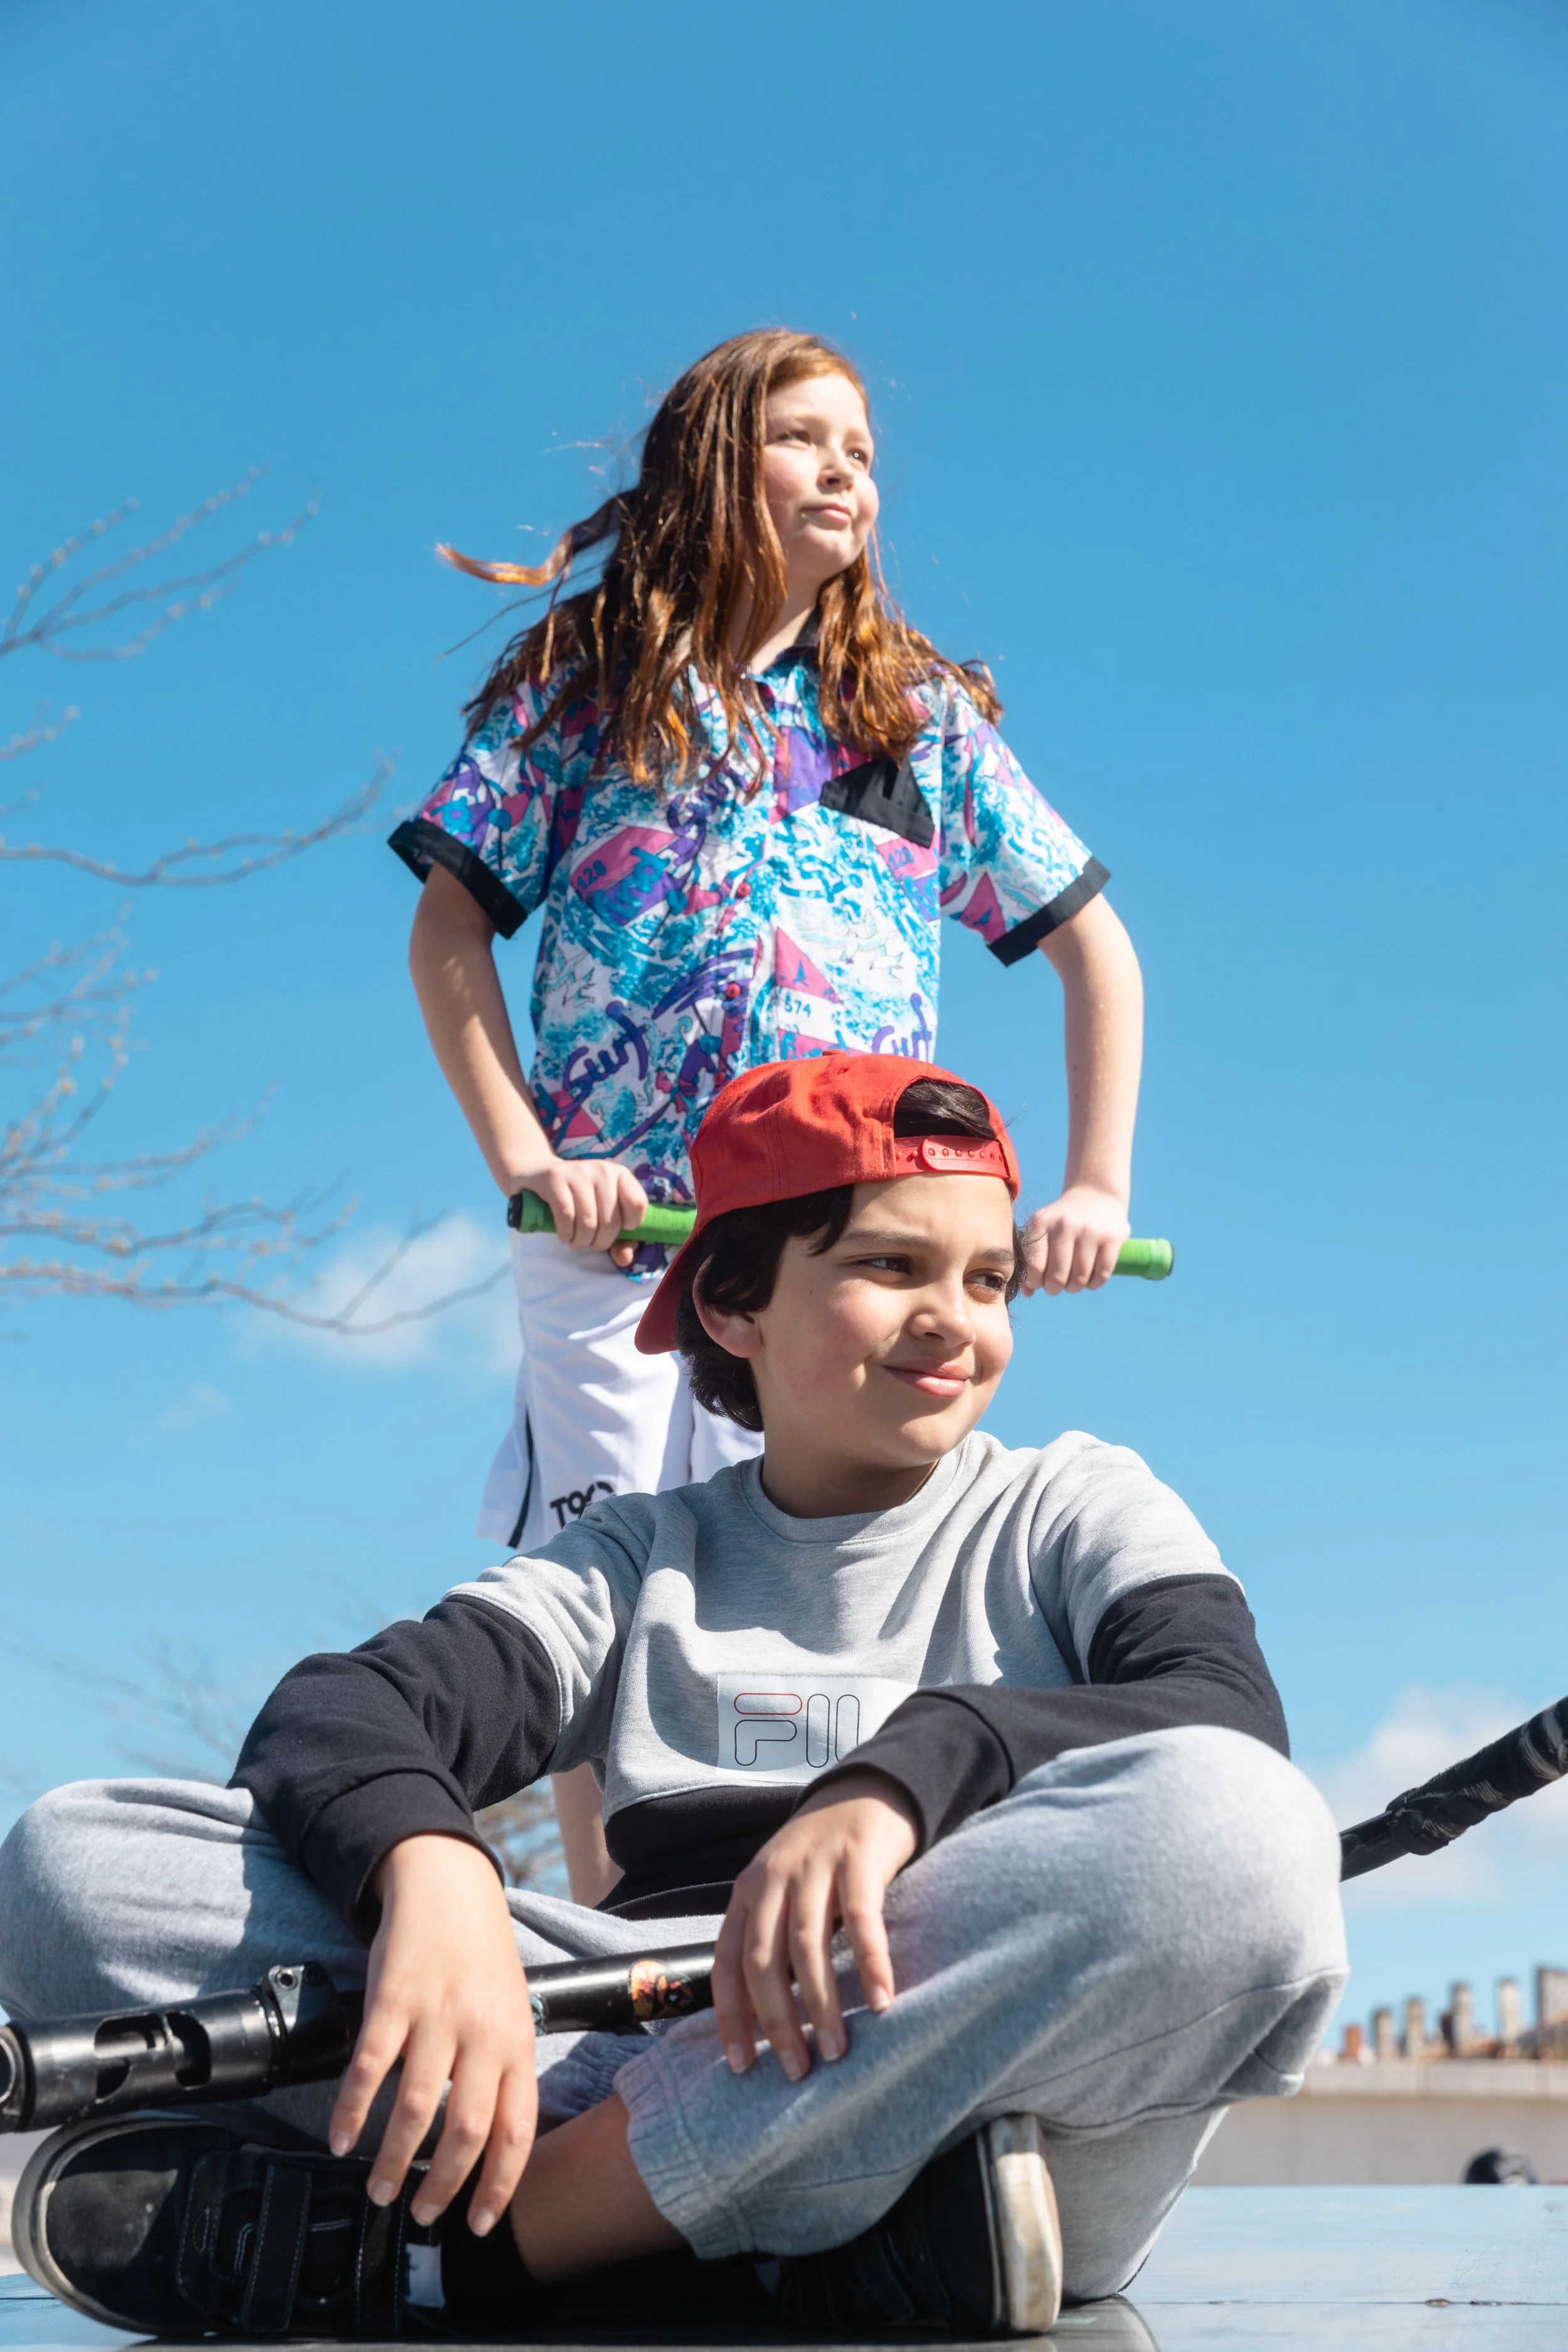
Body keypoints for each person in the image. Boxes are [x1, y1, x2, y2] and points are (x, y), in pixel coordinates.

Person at [1, 1054, 1345, 2341]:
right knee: (71, 1861)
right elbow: (342, 1712)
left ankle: (499, 2244)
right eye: (889, 1264)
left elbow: (1219, 1712)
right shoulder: (637, 1555)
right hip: (633, 2057)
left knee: (1240, 1833)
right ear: (731, 1305)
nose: (954, 1318)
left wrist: (904, 1775)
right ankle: (807, 2247)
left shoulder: (1077, 1498)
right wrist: (431, 1874)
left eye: (988, 1280)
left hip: (977, 2094)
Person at [393, 327, 1143, 1904]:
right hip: (623, 1232)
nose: (846, 473)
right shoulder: (584, 694)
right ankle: (618, 1930)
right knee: (609, 1575)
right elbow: (447, 931)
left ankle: (852, 1880)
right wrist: (533, 1161)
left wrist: (1087, 1182)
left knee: (841, 1554)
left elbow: (1091, 948)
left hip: (842, 1230)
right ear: (715, 466)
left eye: (863, 453)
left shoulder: (910, 713)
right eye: (807, 440)